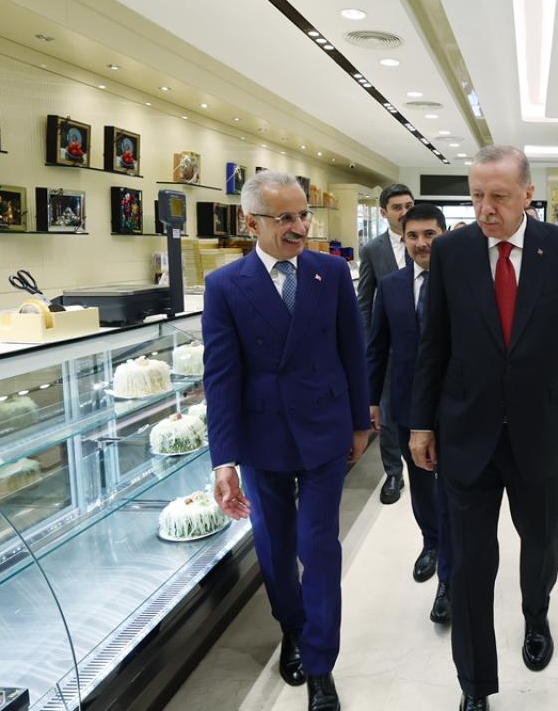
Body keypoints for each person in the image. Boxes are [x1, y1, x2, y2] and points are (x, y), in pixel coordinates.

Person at [410, 146, 558, 711]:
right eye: (476, 196)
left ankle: (535, 614)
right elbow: (433, 343)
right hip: (466, 430)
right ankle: (474, 685)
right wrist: (420, 423)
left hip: (542, 428)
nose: (485, 208)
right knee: (469, 563)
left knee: (542, 538)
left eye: (499, 196)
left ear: (527, 195)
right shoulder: (451, 251)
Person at [203, 170, 371, 711]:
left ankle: (321, 663)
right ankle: (292, 628)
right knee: (275, 549)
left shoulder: (331, 272)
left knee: (318, 547)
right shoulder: (225, 286)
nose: (299, 227)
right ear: (250, 222)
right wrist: (223, 460)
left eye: (303, 215)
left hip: (324, 428)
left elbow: (353, 350)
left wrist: (360, 423)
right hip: (263, 436)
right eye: (285, 218)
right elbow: (220, 376)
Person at [366, 202, 453, 624]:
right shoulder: (391, 286)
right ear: (402, 239)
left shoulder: (463, 282)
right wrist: (370, 401)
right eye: (413, 236)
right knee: (420, 482)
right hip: (405, 402)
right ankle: (431, 541)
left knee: (453, 489)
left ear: (444, 235)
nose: (421, 243)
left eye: (429, 234)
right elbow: (377, 346)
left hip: (454, 406)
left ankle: (449, 578)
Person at [357, 185, 415, 508]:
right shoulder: (373, 250)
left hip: (427, 342)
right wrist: (370, 347)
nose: (405, 212)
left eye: (409, 205)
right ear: (383, 213)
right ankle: (393, 472)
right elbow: (365, 301)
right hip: (390, 345)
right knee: (387, 411)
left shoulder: (431, 241)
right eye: (397, 207)